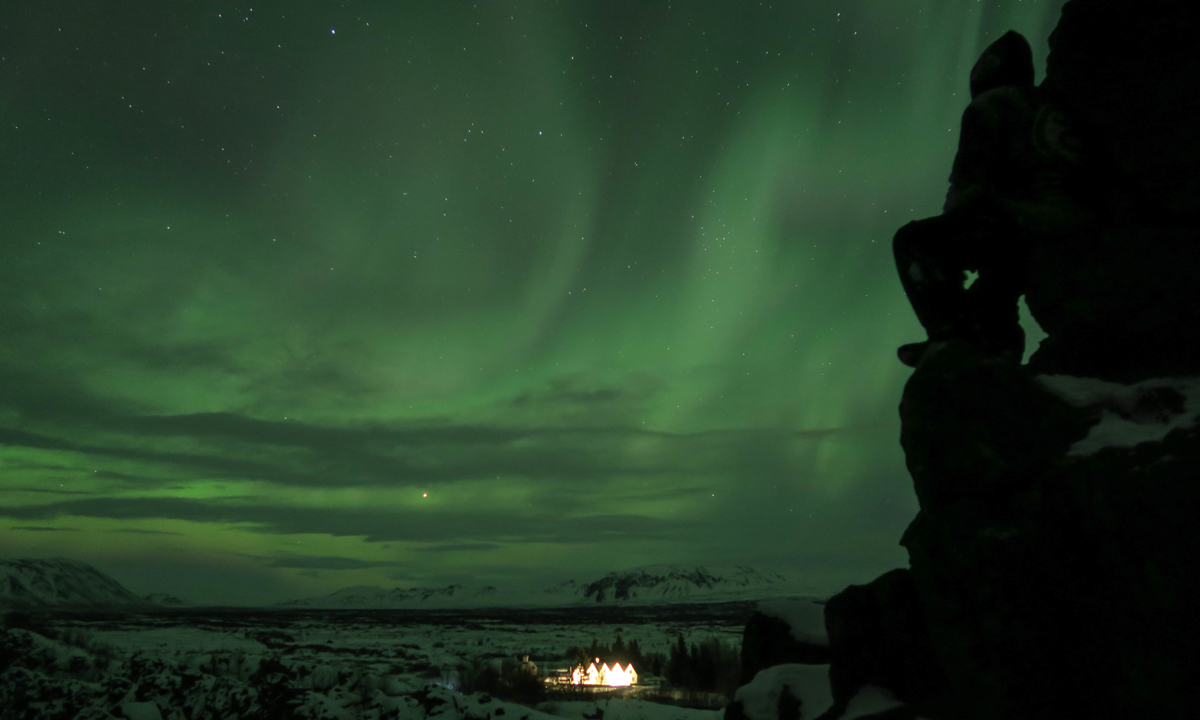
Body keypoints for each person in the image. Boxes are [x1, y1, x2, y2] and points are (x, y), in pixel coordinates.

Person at [894, 31, 1090, 367]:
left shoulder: (991, 104)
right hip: (1074, 220)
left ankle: (951, 337)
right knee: (996, 280)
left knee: (914, 242)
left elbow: (971, 180)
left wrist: (953, 228)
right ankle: (999, 347)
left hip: (1027, 222)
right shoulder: (1051, 105)